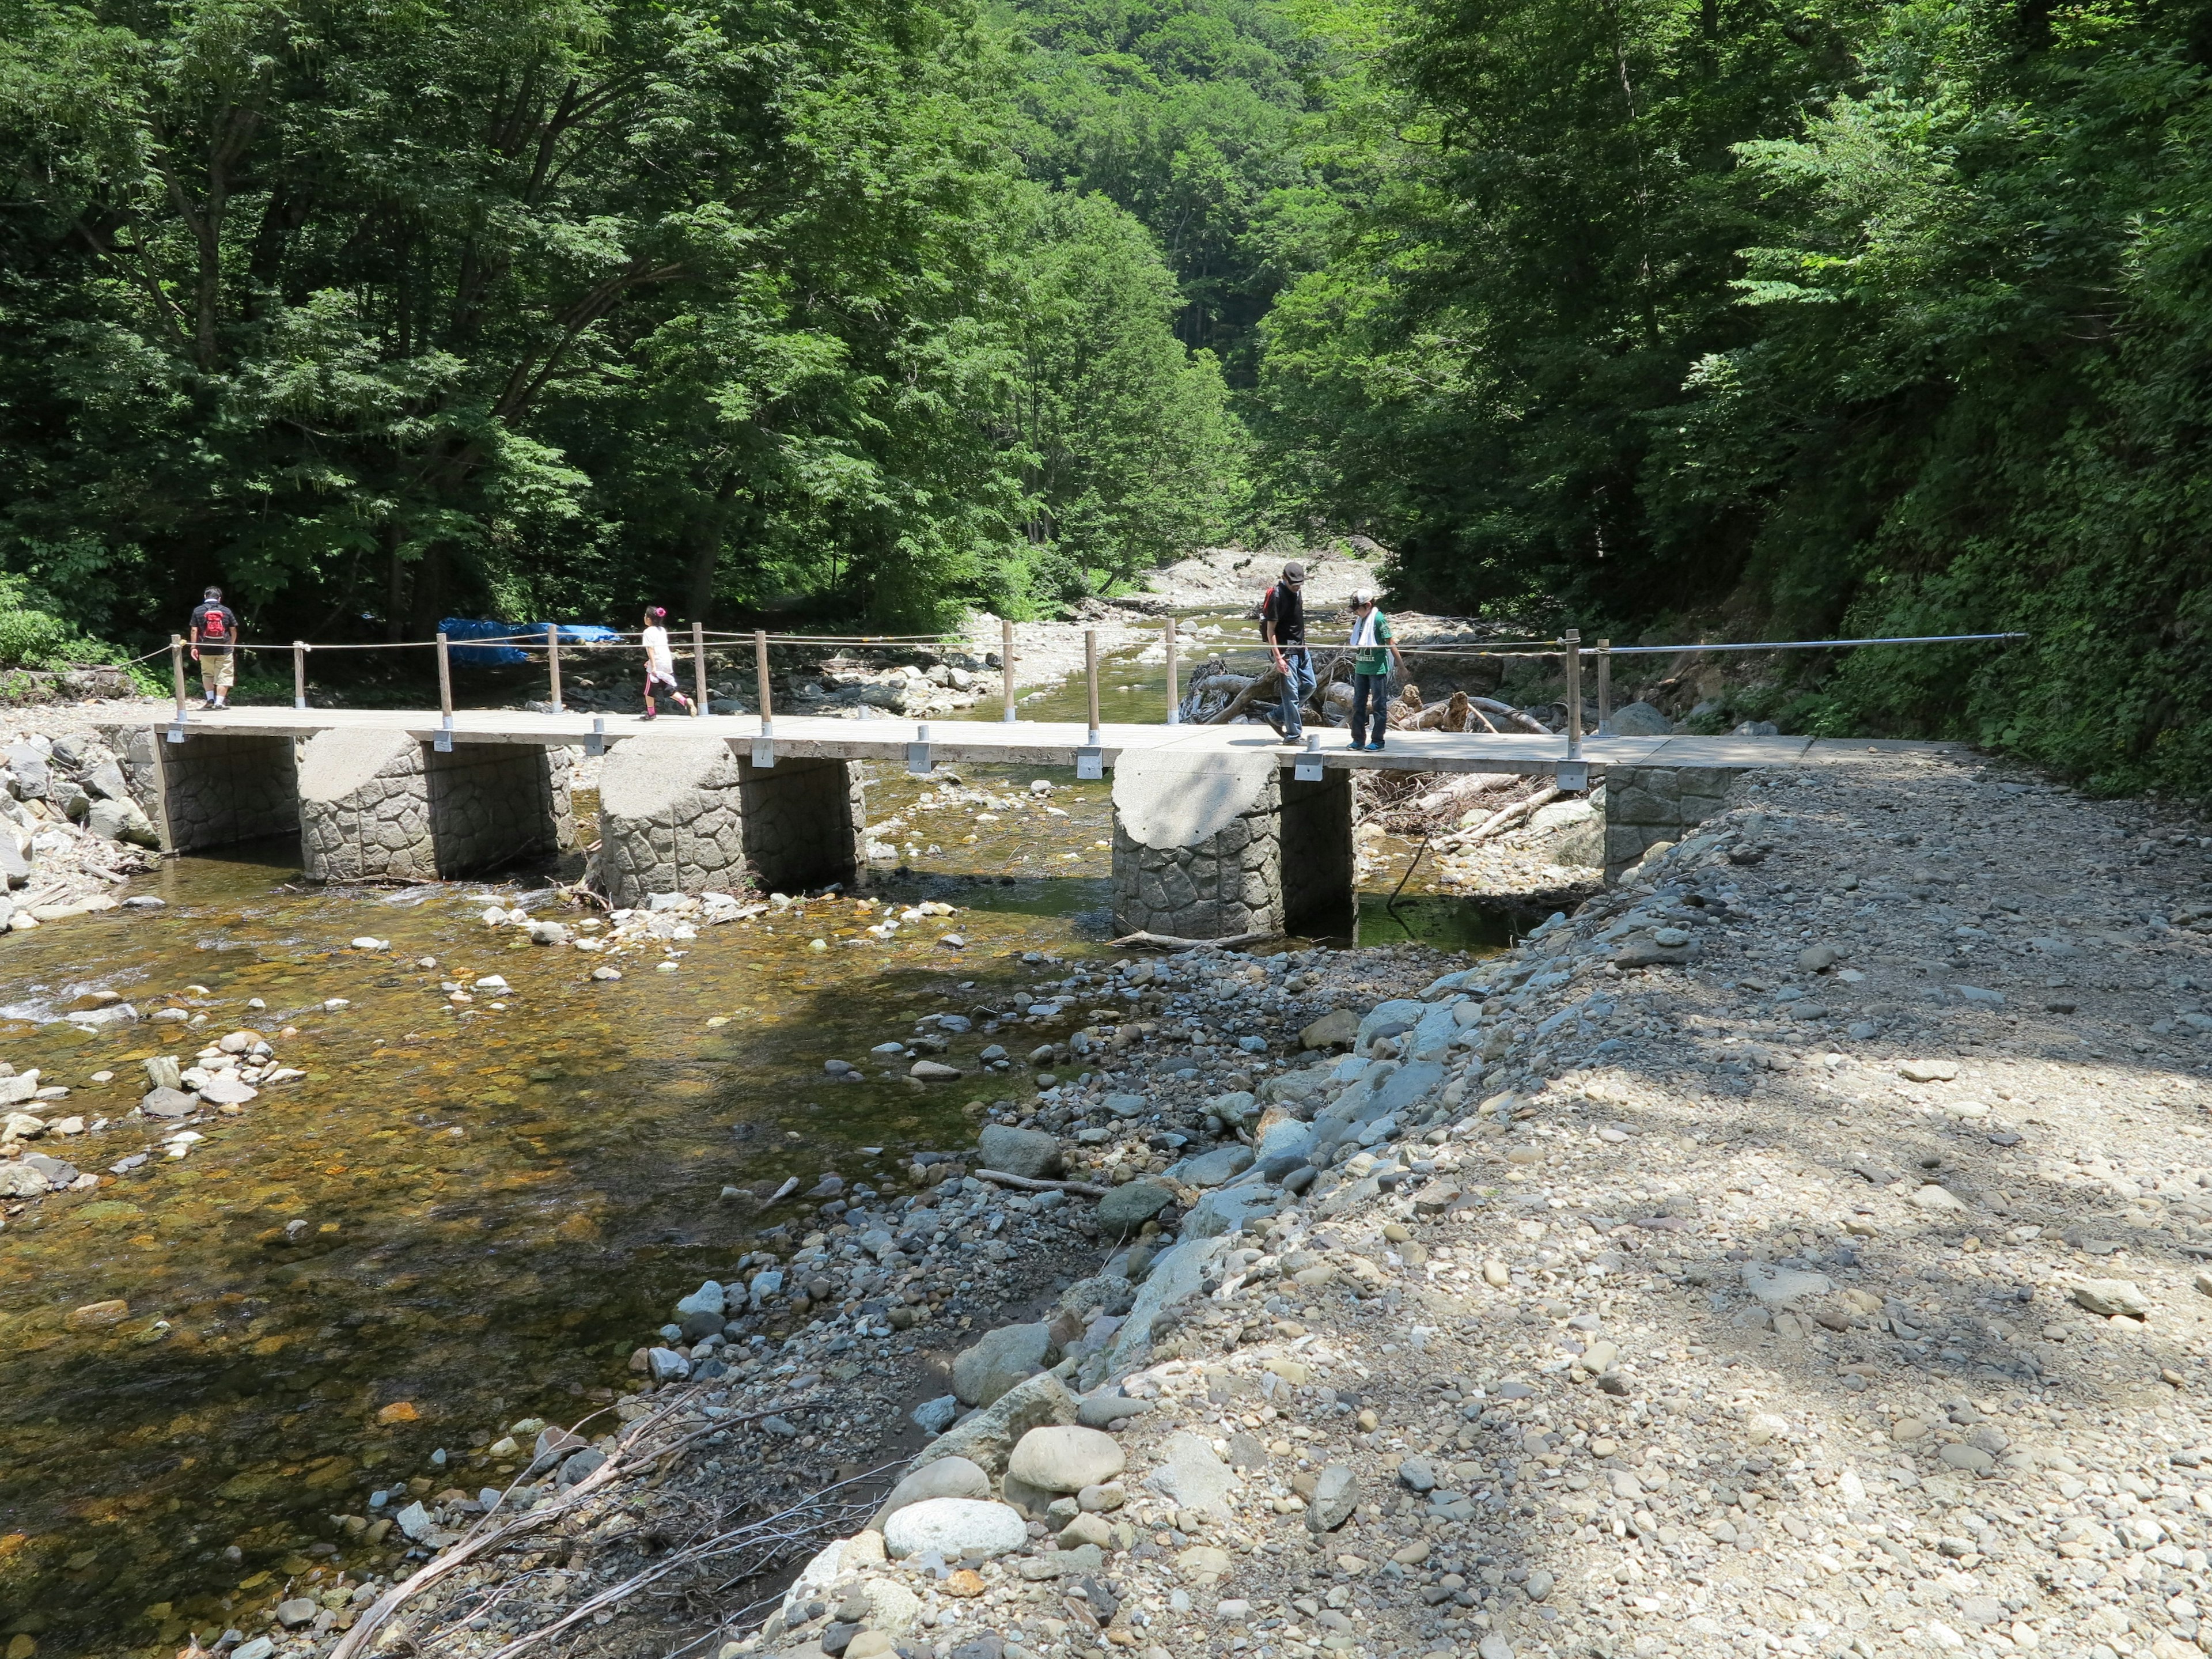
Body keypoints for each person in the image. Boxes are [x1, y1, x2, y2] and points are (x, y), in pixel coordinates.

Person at [1257, 559, 1312, 741]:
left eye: (1300, 584)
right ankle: (1293, 735)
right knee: (1292, 696)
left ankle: (1276, 716)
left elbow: (1296, 620)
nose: (1297, 587)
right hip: (1286, 653)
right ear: (1284, 579)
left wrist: (1304, 643)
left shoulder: (1298, 592)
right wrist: (1279, 658)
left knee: (1311, 685)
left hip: (1302, 648)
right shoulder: (1277, 595)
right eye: (1293, 584)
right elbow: (1270, 630)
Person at [1347, 588, 1404, 751]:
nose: (1355, 613)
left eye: (1357, 609)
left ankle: (1378, 741)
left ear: (1368, 605)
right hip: (1361, 668)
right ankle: (1358, 739)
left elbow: (1390, 642)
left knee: (1379, 705)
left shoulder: (1378, 619)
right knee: (1358, 704)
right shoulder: (1362, 620)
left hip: (1377, 669)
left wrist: (1401, 666)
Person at [189, 585, 239, 710]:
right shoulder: (226, 611)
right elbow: (233, 630)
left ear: (205, 596)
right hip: (224, 650)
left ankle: (210, 700)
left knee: (207, 674)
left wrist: (193, 647)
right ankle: (219, 702)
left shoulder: (198, 611)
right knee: (224, 675)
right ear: (220, 598)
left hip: (205, 649)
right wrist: (231, 645)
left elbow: (194, 630)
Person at [638, 607, 694, 719]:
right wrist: (649, 661)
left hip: (657, 663)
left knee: (649, 692)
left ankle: (651, 714)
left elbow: (651, 649)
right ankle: (685, 701)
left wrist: (653, 666)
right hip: (667, 661)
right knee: (668, 688)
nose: (644, 618)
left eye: (645, 616)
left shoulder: (648, 632)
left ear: (649, 619)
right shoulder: (662, 630)